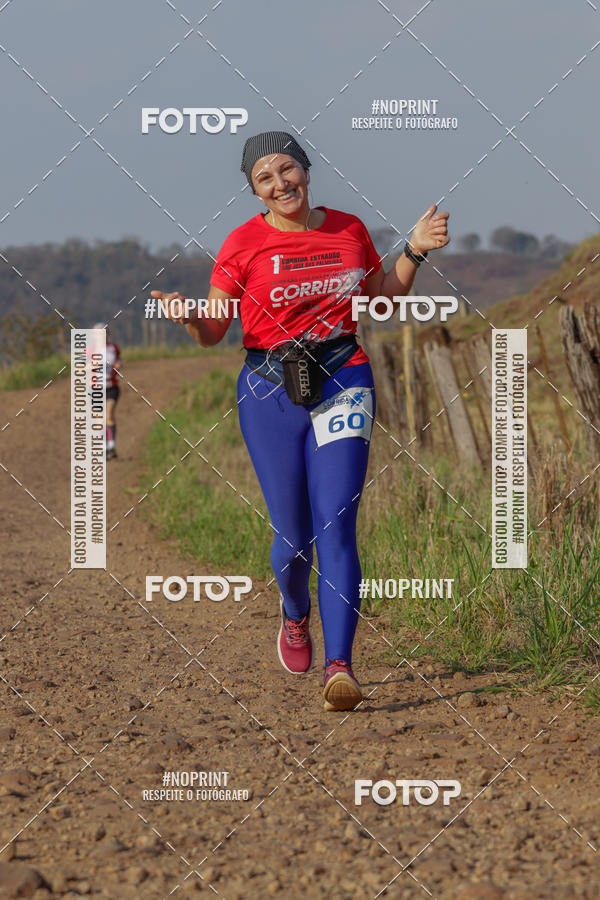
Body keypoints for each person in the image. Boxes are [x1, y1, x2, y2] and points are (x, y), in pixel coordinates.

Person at [152, 130, 449, 710]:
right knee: (292, 543)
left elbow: (380, 301)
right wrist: (191, 317)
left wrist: (413, 251)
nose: (280, 184)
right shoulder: (241, 244)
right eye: (266, 178)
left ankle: (340, 667)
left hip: (344, 376)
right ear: (255, 190)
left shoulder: (349, 229)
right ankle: (294, 611)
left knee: (336, 521)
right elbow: (215, 330)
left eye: (288, 170)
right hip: (269, 389)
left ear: (306, 171)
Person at [92, 323, 122, 460]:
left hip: (111, 387)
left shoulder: (114, 348)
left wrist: (119, 365)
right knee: (99, 419)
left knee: (108, 415)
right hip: (96, 389)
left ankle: (111, 446)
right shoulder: (89, 350)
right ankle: (103, 448)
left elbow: (119, 361)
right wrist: (92, 365)